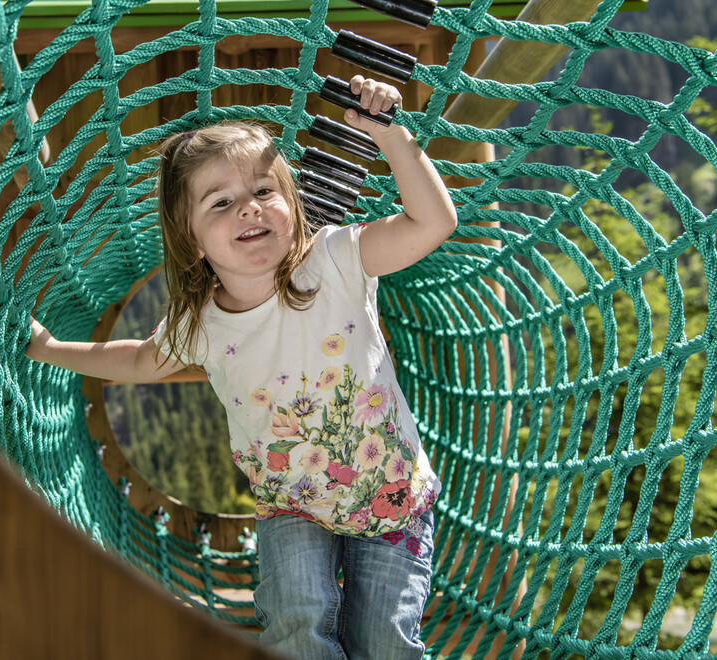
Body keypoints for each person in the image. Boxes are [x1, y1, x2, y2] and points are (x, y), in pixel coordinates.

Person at [26, 75, 457, 659]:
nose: (249, 207)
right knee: (296, 624)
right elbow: (139, 358)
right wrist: (50, 347)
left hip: (390, 497)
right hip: (291, 505)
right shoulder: (201, 322)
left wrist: (396, 141)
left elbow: (432, 224)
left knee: (383, 644)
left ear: (292, 202)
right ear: (193, 238)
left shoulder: (335, 259)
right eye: (221, 202)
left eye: (263, 189)